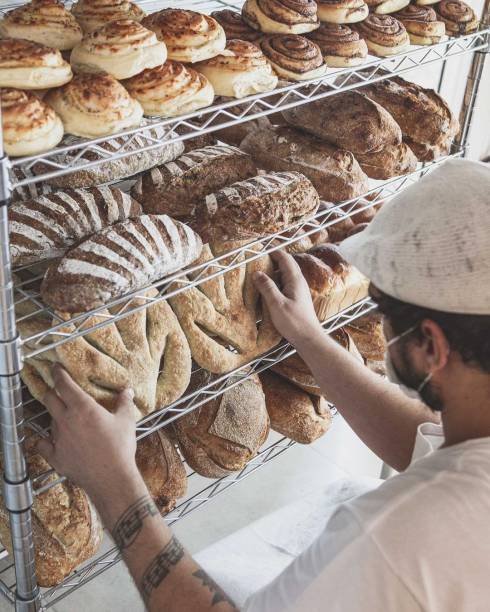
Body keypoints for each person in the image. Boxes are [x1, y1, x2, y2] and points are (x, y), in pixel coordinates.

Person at [37, 159, 490, 611]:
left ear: (432, 345)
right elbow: (430, 442)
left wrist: (112, 483)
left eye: (384, 312)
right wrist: (309, 337)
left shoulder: (397, 536)